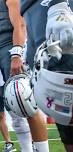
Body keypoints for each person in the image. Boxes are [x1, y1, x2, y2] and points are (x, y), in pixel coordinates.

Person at [0, 0, 49, 151]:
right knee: (15, 110)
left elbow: (20, 24)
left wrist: (16, 54)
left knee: (27, 104)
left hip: (10, 49)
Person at [20, 0, 73, 151]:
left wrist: (58, 5)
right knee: (63, 111)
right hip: (33, 17)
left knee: (65, 88)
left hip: (51, 7)